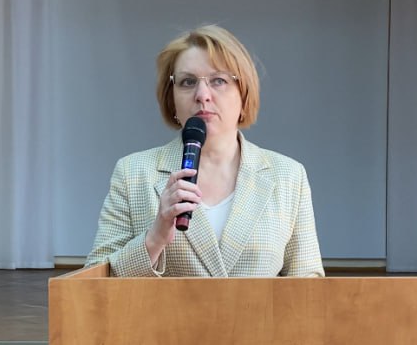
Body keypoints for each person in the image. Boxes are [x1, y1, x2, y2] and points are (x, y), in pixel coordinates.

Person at [85, 24, 324, 278]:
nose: (202, 95)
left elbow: (309, 286)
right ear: (171, 99)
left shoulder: (288, 176)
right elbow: (94, 284)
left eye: (219, 80)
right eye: (187, 82)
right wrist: (154, 238)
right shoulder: (133, 173)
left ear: (244, 94)